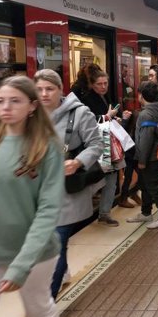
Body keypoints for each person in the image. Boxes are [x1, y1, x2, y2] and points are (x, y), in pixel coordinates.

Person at [0, 76, 65, 317]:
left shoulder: (46, 148)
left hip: (34, 254)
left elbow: (48, 209)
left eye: (15, 101)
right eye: (0, 101)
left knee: (37, 309)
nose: (5, 107)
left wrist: (21, 263)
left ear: (32, 106)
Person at [34, 69, 105, 299]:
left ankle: (48, 301)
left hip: (65, 192)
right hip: (36, 192)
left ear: (60, 90)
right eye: (39, 89)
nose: (44, 94)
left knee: (56, 244)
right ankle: (61, 273)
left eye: (50, 89)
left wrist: (77, 162)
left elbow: (96, 144)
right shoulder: (29, 114)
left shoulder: (80, 113)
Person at [82, 70, 132, 226]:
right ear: (92, 84)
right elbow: (86, 121)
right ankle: (85, 212)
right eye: (99, 84)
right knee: (94, 180)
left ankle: (104, 213)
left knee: (111, 179)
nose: (103, 86)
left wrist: (116, 117)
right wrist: (107, 116)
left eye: (105, 83)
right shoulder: (86, 99)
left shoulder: (107, 96)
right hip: (95, 144)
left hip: (108, 144)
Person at [126, 81, 158, 228]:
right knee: (145, 185)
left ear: (141, 96)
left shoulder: (146, 114)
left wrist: (142, 160)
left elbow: (145, 139)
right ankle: (146, 213)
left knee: (153, 186)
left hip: (149, 157)